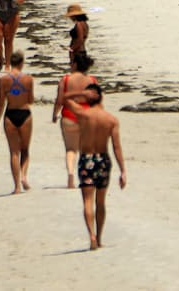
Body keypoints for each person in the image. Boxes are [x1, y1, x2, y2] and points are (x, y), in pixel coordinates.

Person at [63, 82, 127, 250]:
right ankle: (98, 238)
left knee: (87, 201)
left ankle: (91, 235)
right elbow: (117, 147)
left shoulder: (83, 115)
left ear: (89, 98)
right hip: (103, 160)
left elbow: (64, 98)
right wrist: (123, 171)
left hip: (87, 159)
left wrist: (81, 93)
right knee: (100, 202)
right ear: (101, 97)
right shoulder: (111, 120)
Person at [53, 51, 97, 188]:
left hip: (68, 116)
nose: (70, 65)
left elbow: (59, 100)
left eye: (71, 62)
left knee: (71, 149)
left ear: (76, 64)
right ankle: (87, 176)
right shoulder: (92, 81)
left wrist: (55, 114)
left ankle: (71, 175)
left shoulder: (65, 80)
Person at [0, 50, 35, 194]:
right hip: (24, 113)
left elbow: (1, 102)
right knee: (25, 149)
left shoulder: (3, 80)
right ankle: (24, 176)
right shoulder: (28, 79)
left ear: (11, 62)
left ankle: (17, 186)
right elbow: (30, 100)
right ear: (22, 63)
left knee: (14, 152)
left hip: (10, 115)